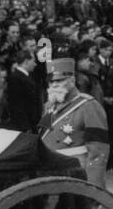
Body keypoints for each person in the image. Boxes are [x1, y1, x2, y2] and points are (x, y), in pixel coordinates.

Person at [38, 58, 108, 188]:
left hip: (74, 174)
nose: (54, 85)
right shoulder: (49, 106)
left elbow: (98, 150)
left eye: (60, 80)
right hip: (48, 172)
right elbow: (44, 137)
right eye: (51, 81)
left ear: (72, 80)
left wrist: (93, 186)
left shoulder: (89, 105)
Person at [0, 42, 41, 133]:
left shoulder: (24, 77)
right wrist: (25, 127)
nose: (35, 64)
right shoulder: (16, 78)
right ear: (26, 61)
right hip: (25, 126)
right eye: (33, 61)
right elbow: (17, 104)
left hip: (31, 123)